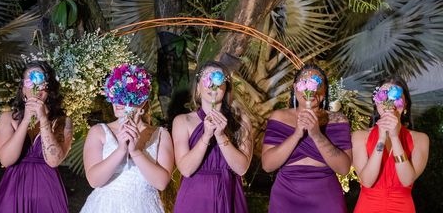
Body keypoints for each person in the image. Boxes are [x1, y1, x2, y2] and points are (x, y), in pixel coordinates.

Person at [80, 64, 174, 213]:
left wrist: (136, 152)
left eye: (125, 95)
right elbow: (94, 180)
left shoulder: (161, 134)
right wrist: (121, 150)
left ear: (142, 101)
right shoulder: (98, 132)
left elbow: (161, 183)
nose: (118, 103)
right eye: (115, 95)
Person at [261, 64, 352, 213]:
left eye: (316, 83)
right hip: (286, 197)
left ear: (323, 93)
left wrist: (317, 135)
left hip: (325, 198)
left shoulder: (337, 120)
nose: (310, 89)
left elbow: (343, 168)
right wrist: (297, 134)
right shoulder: (279, 117)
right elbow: (267, 165)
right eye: (304, 83)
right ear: (295, 88)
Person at [172, 61, 252, 213]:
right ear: (198, 88)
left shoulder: (241, 120)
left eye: (217, 79)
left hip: (230, 195)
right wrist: (206, 136)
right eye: (207, 78)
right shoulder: (183, 121)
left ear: (226, 87)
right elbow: (186, 169)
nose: (212, 85)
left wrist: (221, 136)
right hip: (195, 198)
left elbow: (241, 168)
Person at [0, 61, 73, 212]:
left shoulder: (62, 121)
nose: (36, 88)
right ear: (23, 89)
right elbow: (6, 159)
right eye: (31, 82)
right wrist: (25, 121)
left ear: (49, 88)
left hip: (48, 194)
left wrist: (43, 119)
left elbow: (54, 161)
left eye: (42, 82)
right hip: (13, 192)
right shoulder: (8, 118)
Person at [352, 76, 429, 213]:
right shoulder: (360, 136)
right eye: (383, 97)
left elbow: (406, 180)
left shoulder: (420, 139)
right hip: (368, 206)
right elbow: (367, 181)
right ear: (376, 103)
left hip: (402, 207)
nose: (389, 102)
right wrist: (381, 138)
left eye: (396, 97)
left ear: (405, 105)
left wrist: (395, 137)